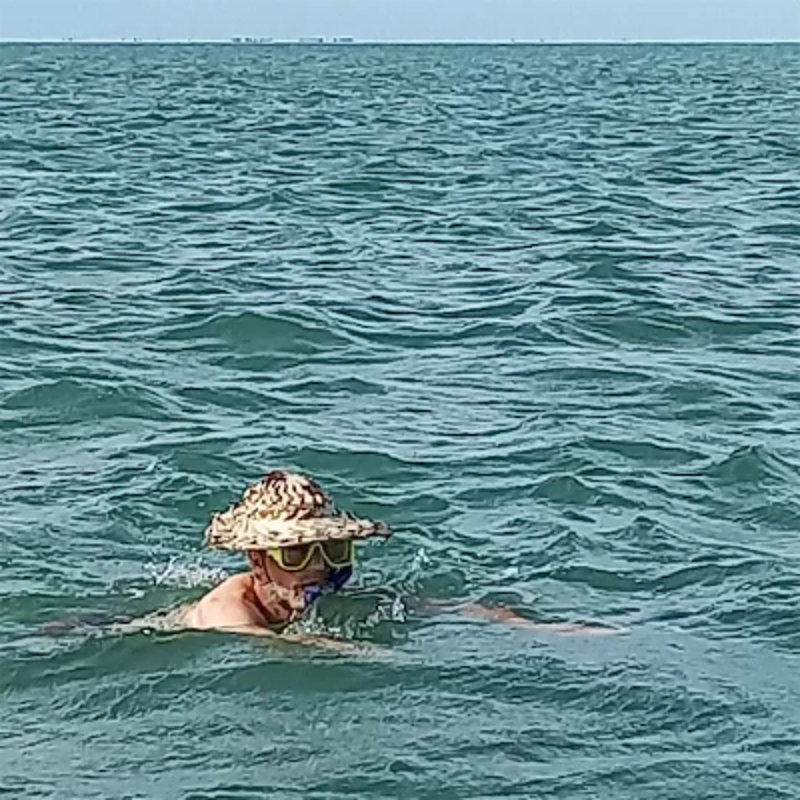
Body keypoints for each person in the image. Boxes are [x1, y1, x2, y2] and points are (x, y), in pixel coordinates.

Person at [182, 469, 622, 642]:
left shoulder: (308, 591)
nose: (320, 566)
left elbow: (429, 607)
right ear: (258, 560)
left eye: (333, 549)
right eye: (297, 554)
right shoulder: (228, 611)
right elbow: (293, 648)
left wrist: (527, 624)